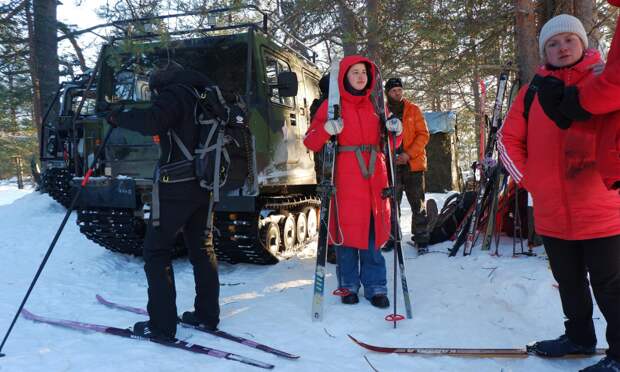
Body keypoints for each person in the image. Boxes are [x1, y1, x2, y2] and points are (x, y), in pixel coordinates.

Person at [498, 13, 620, 371]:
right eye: (553, 43)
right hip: (552, 211)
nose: (562, 47)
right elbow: (507, 141)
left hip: (602, 209)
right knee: (568, 281)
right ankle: (579, 338)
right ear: (543, 52)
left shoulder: (603, 81)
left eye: (569, 40)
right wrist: (531, 180)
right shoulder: (532, 91)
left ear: (583, 44)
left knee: (611, 286)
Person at [107, 60, 220, 341]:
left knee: (157, 252)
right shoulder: (203, 94)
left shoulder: (175, 93)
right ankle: (207, 316)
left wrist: (118, 116)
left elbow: (152, 121)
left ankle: (162, 325)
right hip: (205, 183)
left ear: (159, 84)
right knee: (202, 250)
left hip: (175, 185)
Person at [303, 55, 402, 308]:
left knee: (372, 234)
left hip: (374, 178)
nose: (360, 76)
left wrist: (396, 131)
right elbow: (311, 140)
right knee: (346, 234)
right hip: (346, 178)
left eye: (364, 73)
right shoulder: (332, 106)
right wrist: (327, 129)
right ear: (344, 76)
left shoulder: (377, 105)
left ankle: (376, 286)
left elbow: (389, 145)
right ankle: (348, 286)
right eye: (355, 72)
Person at [384, 77, 430, 252]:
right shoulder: (383, 111)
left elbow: (423, 135)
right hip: (391, 165)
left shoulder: (413, 110)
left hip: (413, 164)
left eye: (400, 90)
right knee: (391, 204)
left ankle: (422, 239)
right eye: (394, 90)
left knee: (417, 204)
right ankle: (392, 238)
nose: (398, 93)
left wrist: (407, 154)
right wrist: (388, 155)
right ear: (388, 93)